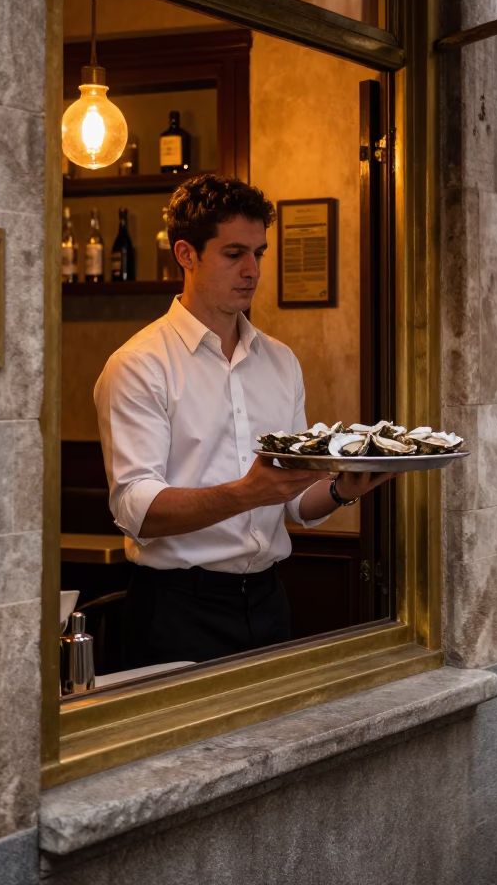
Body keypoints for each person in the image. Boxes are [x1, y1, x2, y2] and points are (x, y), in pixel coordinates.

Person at [94, 175, 394, 668]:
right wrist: (248, 492)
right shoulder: (139, 364)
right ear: (186, 254)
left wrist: (345, 488)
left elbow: (295, 502)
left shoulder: (281, 361)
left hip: (270, 598)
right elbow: (135, 508)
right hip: (176, 607)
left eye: (259, 252)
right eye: (234, 254)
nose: (252, 270)